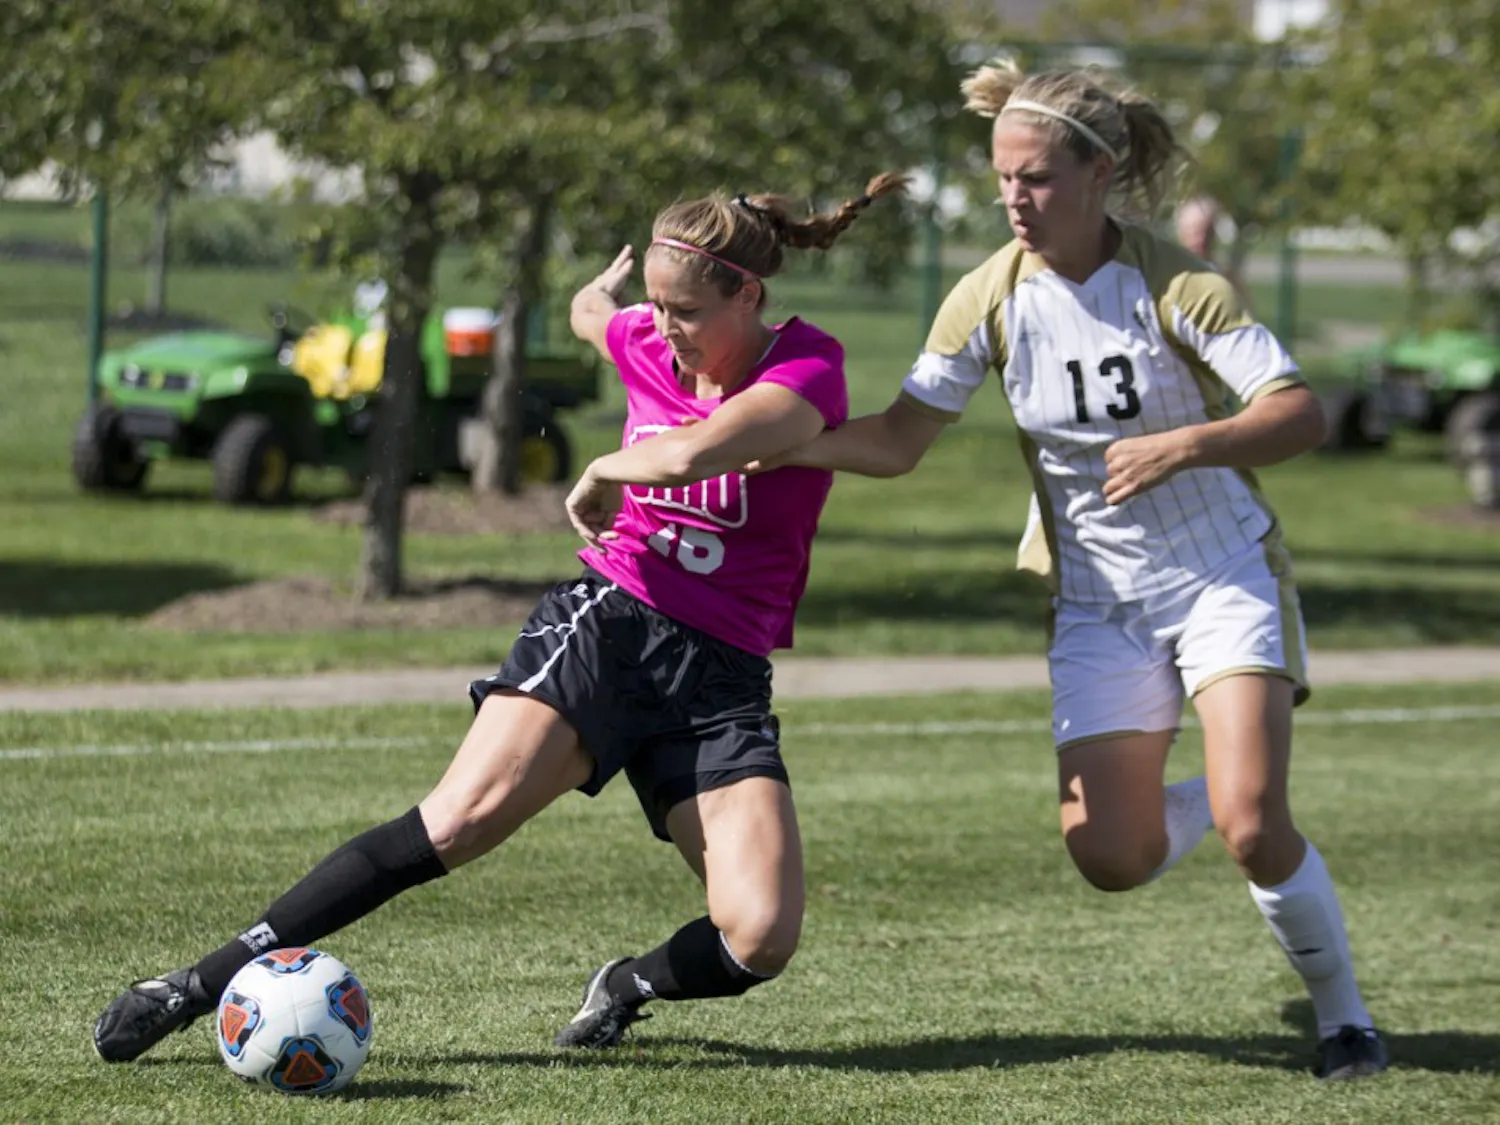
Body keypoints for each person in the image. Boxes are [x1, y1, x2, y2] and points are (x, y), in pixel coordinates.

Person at [91, 171, 905, 1062]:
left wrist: (603, 468)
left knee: (760, 937)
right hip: (612, 622)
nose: (664, 330)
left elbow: (701, 449)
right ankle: (190, 986)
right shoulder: (647, 334)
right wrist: (598, 293)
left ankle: (626, 984)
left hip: (721, 675)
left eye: (685, 313)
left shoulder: (807, 366)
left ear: (747, 294)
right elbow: (599, 315)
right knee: (456, 824)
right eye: (657, 307)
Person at [751, 61, 1388, 1082]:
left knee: (1257, 825)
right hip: (1098, 602)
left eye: (1037, 178)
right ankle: (1224, 792)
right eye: (1004, 177)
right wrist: (776, 445)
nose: (1014, 197)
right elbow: (903, 439)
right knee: (1113, 858)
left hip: (1222, 573)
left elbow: (1297, 414)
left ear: (1100, 173)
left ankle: (1347, 1020)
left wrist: (1186, 445)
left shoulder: (1177, 282)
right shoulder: (988, 297)